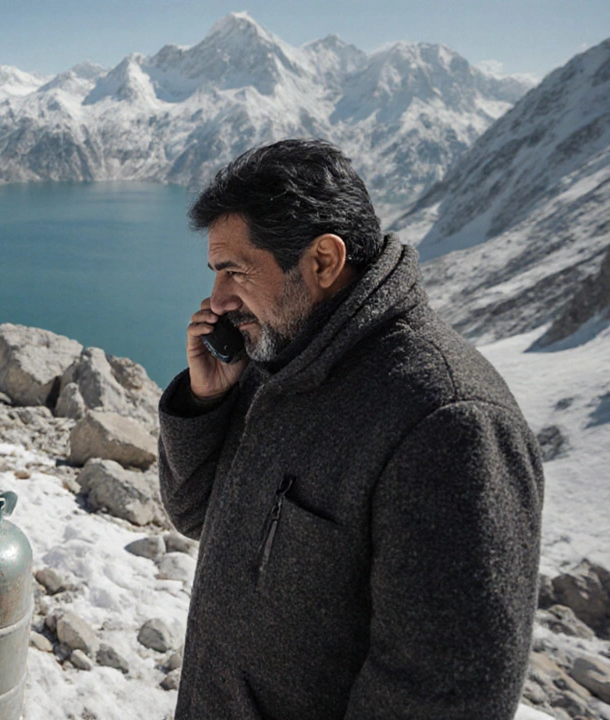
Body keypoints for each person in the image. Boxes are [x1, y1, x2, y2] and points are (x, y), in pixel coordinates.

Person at [158, 139, 543, 719]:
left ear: (323, 262)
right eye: (215, 273)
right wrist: (207, 400)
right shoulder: (280, 355)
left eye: (235, 271)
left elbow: (443, 698)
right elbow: (193, 513)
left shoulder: (452, 424)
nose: (217, 300)